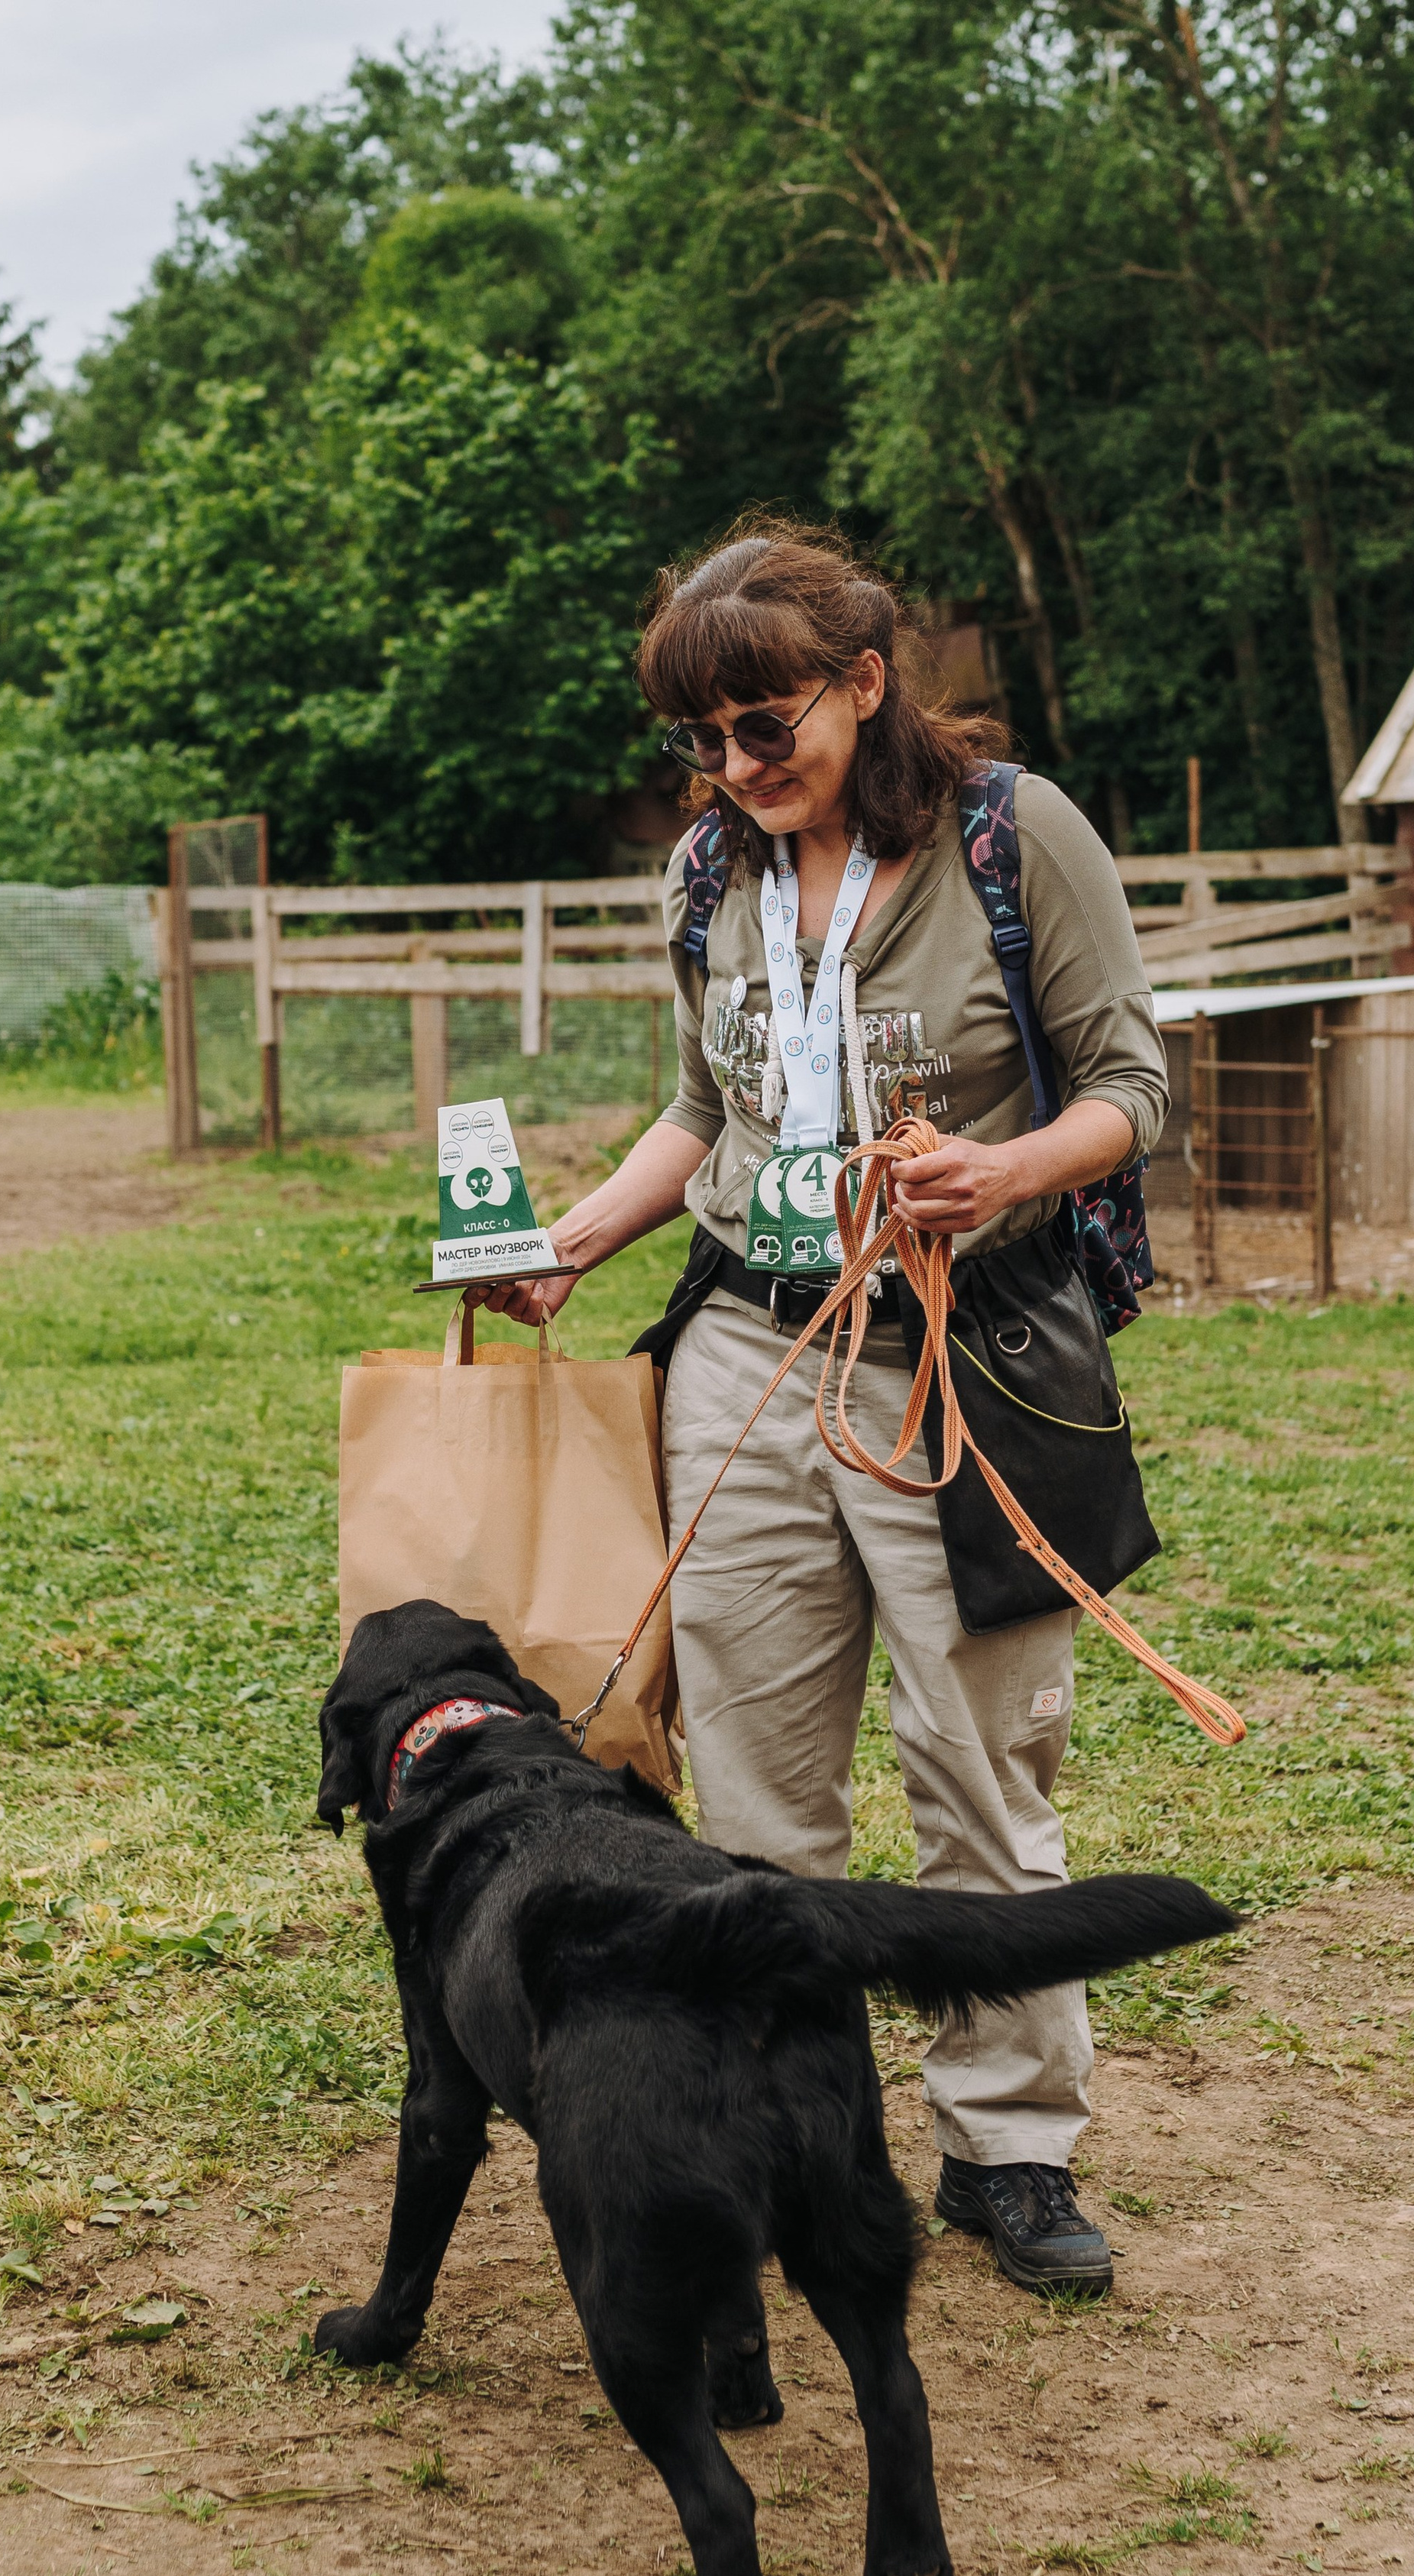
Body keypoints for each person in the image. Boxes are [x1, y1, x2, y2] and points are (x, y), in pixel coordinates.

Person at [480, 523, 1168, 2296]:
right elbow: (702, 1109)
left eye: (762, 722)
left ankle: (1008, 2150)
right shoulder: (706, 868)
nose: (732, 763)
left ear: (863, 683)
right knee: (754, 1800)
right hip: (744, 1355)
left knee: (977, 1774)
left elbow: (1130, 1085)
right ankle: (787, 2127)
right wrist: (570, 1241)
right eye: (700, 737)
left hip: (958, 1360)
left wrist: (1005, 1168)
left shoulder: (1013, 835)